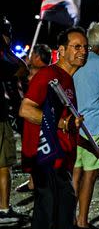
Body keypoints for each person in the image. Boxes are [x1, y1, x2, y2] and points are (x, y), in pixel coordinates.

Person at [19, 26, 99, 229]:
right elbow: (26, 109)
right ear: (62, 50)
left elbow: (69, 127)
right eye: (77, 47)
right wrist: (62, 122)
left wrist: (91, 146)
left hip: (64, 160)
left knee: (61, 221)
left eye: (85, 47)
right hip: (45, 157)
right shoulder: (47, 76)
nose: (83, 51)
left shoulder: (68, 81)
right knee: (45, 215)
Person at [71, 22, 99, 229]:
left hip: (73, 126)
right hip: (94, 129)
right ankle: (82, 221)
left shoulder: (76, 61)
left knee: (75, 174)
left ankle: (68, 217)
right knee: (90, 176)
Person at [15, 44, 52, 195]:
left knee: (38, 151)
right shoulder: (49, 72)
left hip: (37, 118)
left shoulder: (38, 74)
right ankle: (32, 181)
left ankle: (39, 183)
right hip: (37, 118)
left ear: (37, 57)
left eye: (31, 55)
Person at [1, 16, 28, 224]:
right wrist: (6, 49)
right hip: (0, 117)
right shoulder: (2, 55)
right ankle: (3, 209)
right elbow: (22, 69)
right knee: (3, 163)